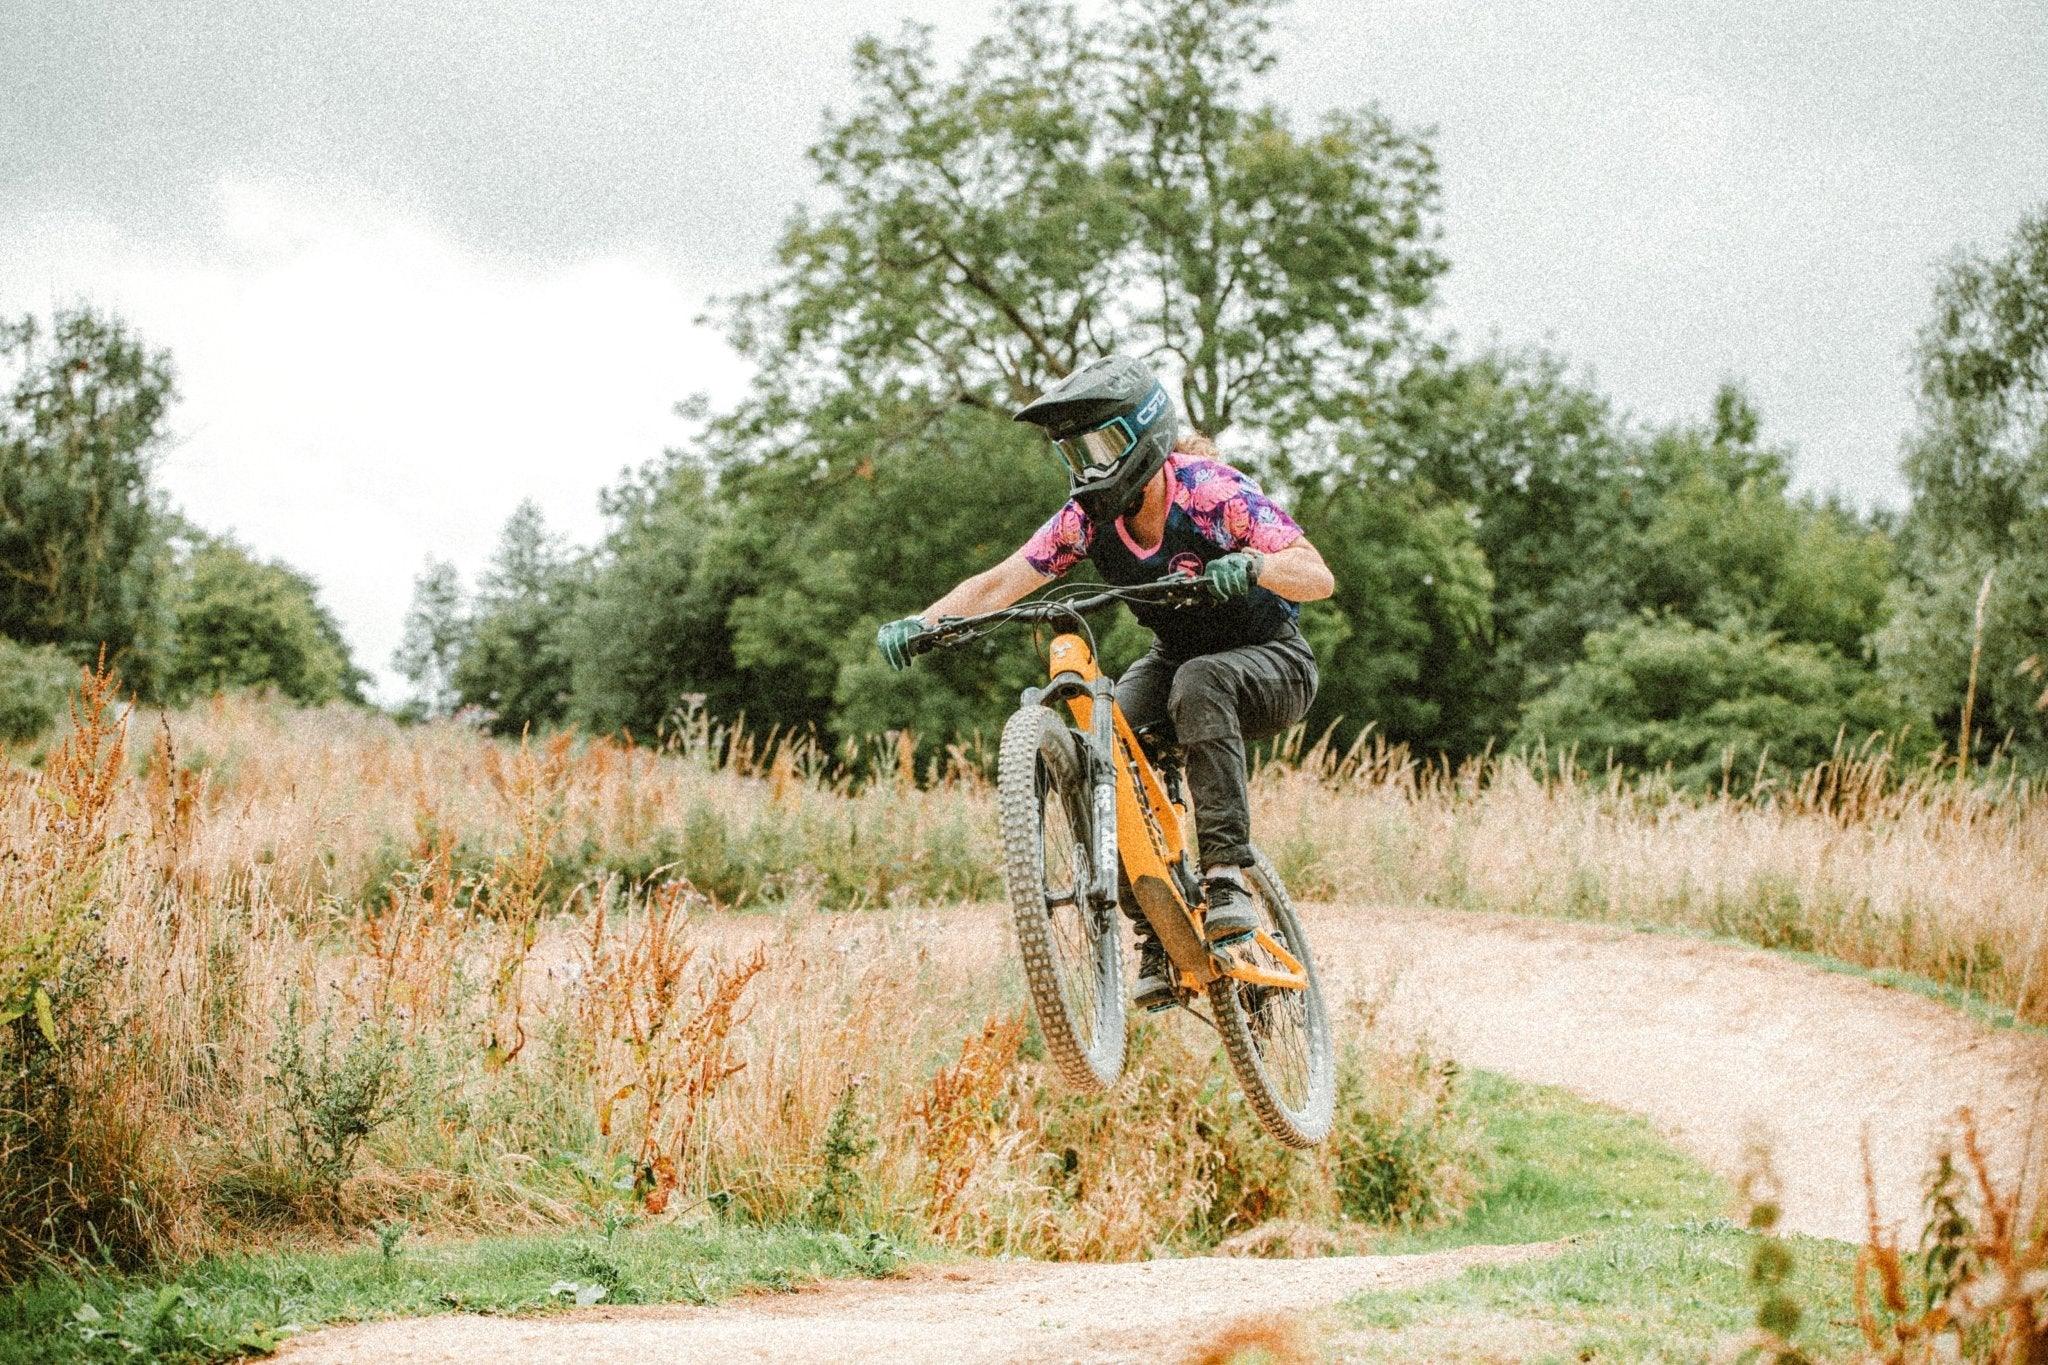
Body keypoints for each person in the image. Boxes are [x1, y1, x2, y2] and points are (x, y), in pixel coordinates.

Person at [876, 355, 1334, 1010]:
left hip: (1271, 658)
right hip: (1177, 658)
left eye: (1102, 444)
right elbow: (1007, 579)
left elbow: (1316, 574)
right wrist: (923, 623)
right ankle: (1158, 925)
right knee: (1104, 728)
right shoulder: (1087, 519)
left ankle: (1227, 876)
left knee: (1202, 683)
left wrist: (1256, 566)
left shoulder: (1210, 494)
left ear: (1144, 435)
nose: (1089, 464)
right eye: (1075, 450)